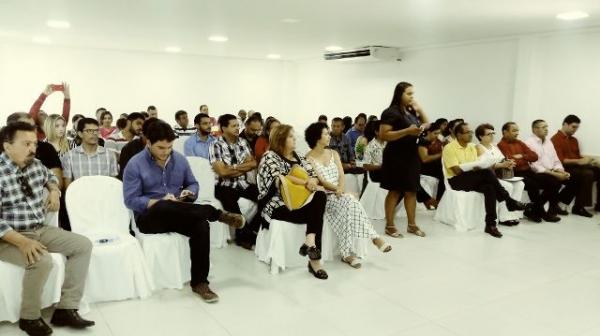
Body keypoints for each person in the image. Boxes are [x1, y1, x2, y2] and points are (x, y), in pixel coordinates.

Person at [123, 121, 244, 303]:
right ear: (148, 143)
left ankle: (200, 282)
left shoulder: (179, 159)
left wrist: (190, 192)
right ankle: (216, 214)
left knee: (201, 225)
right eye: (160, 147)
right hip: (149, 219)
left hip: (179, 211)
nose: (166, 152)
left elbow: (193, 183)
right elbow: (130, 200)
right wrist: (159, 201)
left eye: (169, 147)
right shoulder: (135, 164)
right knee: (163, 205)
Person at [0, 122, 94, 335]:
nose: (33, 148)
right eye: (26, 144)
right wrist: (23, 242)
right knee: (41, 260)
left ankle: (66, 308)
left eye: (34, 143)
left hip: (38, 228)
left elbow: (51, 177)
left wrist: (53, 190)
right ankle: (29, 317)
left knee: (82, 245)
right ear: (7, 147)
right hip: (8, 237)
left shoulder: (34, 164)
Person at [305, 122, 391, 269]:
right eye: (326, 133)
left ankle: (348, 253)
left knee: (349, 205)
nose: (329, 135)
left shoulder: (333, 153)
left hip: (340, 194)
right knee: (350, 201)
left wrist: (341, 189)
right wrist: (340, 190)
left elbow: (341, 174)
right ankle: (374, 238)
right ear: (316, 137)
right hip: (323, 196)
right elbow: (322, 180)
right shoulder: (309, 158)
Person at [256, 124, 329, 279]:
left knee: (320, 197)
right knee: (316, 215)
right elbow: (280, 178)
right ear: (280, 139)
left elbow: (312, 175)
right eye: (290, 136)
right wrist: (305, 182)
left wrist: (312, 182)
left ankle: (310, 241)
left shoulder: (299, 156)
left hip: (301, 201)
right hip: (278, 204)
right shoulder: (269, 156)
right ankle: (315, 262)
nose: (295, 139)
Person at [442, 122, 529, 238]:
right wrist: (474, 168)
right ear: (458, 134)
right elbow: (457, 171)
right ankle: (509, 201)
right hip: (456, 180)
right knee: (487, 172)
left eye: (471, 132)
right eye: (467, 132)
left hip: (471, 177)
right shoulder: (449, 147)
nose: (471, 135)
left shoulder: (472, 147)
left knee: (490, 188)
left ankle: (490, 225)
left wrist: (478, 166)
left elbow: (475, 165)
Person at [379, 82, 429, 238]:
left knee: (411, 191)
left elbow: (427, 124)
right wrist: (407, 130)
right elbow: (384, 135)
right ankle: (389, 225)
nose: (411, 97)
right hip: (396, 155)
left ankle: (412, 225)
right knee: (394, 190)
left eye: (413, 94)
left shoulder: (410, 112)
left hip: (411, 154)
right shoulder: (390, 112)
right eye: (409, 94)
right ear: (399, 94)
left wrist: (420, 110)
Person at [209, 114, 259, 249]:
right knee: (233, 206)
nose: (238, 128)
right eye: (234, 126)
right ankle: (244, 238)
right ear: (223, 128)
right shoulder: (215, 145)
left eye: (238, 125)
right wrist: (242, 168)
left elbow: (253, 163)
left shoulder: (243, 142)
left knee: (265, 196)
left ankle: (253, 228)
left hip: (243, 183)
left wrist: (234, 167)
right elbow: (222, 172)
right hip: (223, 186)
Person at [498, 122, 561, 222]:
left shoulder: (519, 142)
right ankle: (541, 212)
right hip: (516, 173)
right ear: (505, 132)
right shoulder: (501, 145)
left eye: (517, 130)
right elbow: (512, 162)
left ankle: (534, 211)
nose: (517, 133)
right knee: (533, 185)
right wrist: (524, 157)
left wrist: (522, 156)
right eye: (514, 130)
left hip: (528, 171)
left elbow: (534, 156)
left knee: (553, 181)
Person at [524, 120, 578, 216]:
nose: (546, 129)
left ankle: (538, 207)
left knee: (574, 178)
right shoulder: (529, 143)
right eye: (543, 127)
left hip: (551, 171)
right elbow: (534, 166)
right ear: (535, 129)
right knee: (554, 181)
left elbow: (556, 160)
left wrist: (561, 171)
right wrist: (554, 174)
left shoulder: (548, 141)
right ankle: (551, 212)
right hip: (536, 173)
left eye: (547, 127)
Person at [475, 123, 525, 226]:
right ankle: (504, 217)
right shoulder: (478, 148)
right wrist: (502, 164)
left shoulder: (494, 147)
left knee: (520, 184)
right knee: (508, 186)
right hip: (488, 177)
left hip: (499, 175)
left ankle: (513, 214)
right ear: (481, 136)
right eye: (489, 134)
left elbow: (502, 159)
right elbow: (484, 165)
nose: (492, 136)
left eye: (493, 133)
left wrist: (509, 163)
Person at [551, 115, 600, 217]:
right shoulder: (555, 139)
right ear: (565, 124)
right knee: (587, 174)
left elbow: (577, 156)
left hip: (575, 167)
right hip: (563, 168)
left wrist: (590, 160)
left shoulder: (574, 140)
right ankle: (579, 207)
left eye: (577, 127)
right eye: (573, 127)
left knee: (597, 169)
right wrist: (579, 161)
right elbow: (560, 160)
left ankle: (598, 205)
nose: (575, 130)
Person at [61, 118, 118, 190]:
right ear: (80, 134)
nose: (94, 134)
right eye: (89, 131)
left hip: (104, 198)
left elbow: (114, 184)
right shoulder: (70, 157)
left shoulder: (109, 155)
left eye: (96, 131)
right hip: (79, 198)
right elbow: (68, 187)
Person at [418, 121, 446, 202]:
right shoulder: (422, 142)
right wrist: (441, 154)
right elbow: (424, 159)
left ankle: (439, 201)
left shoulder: (439, 141)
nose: (437, 136)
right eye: (435, 133)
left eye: (438, 133)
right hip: (426, 170)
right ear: (429, 132)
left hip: (437, 169)